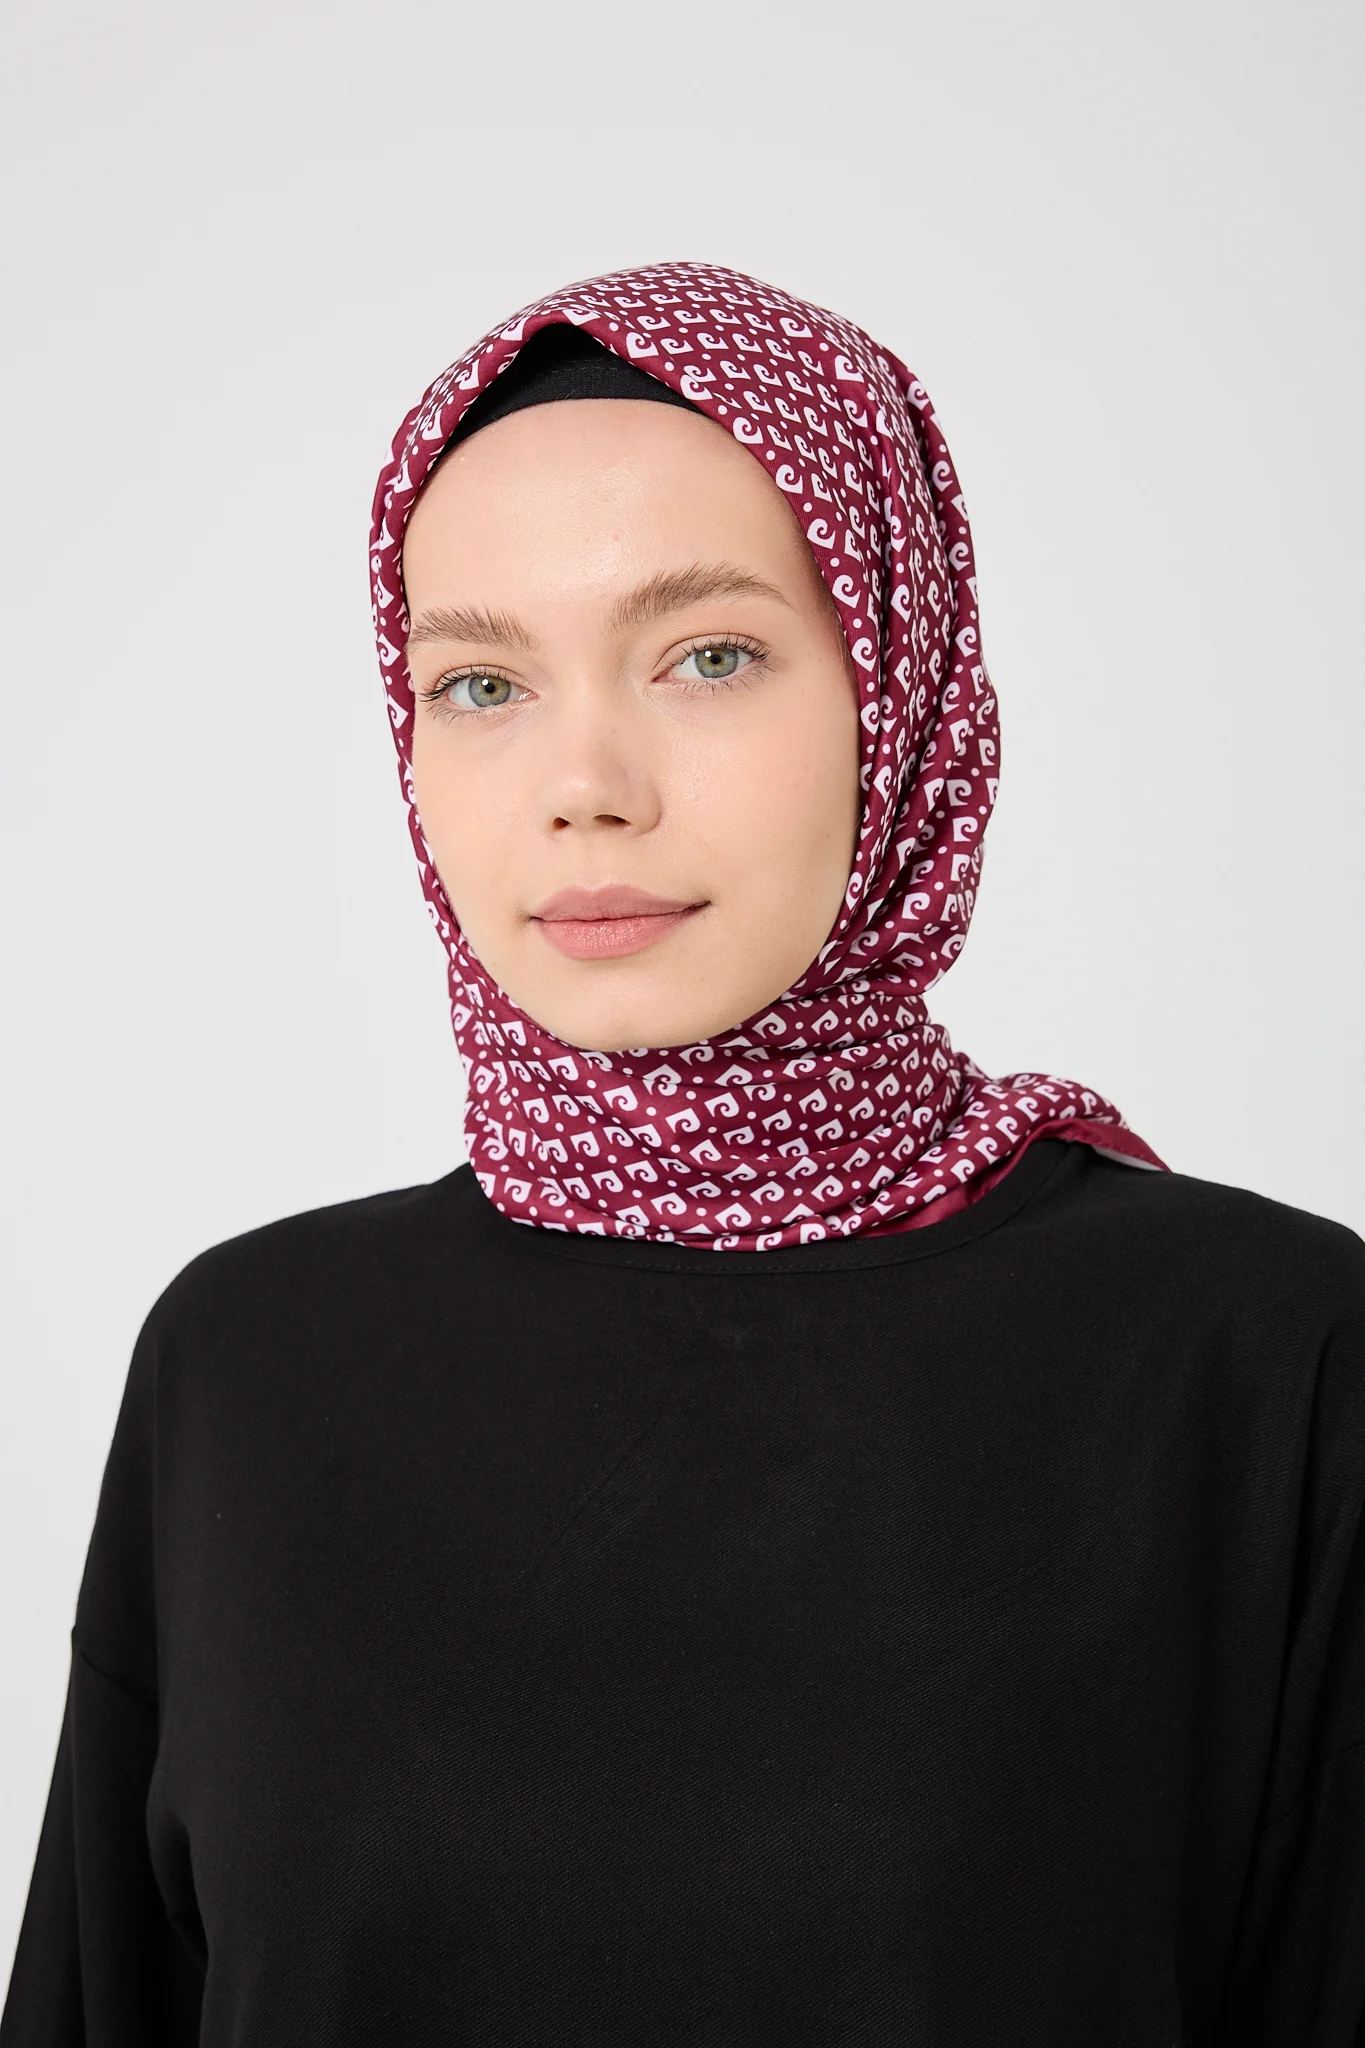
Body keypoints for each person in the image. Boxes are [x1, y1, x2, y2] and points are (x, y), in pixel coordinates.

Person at [3, 260, 1362, 2045]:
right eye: (480, 683)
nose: (586, 783)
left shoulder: (1264, 1357)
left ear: (899, 687)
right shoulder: (245, 1362)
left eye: (709, 657)